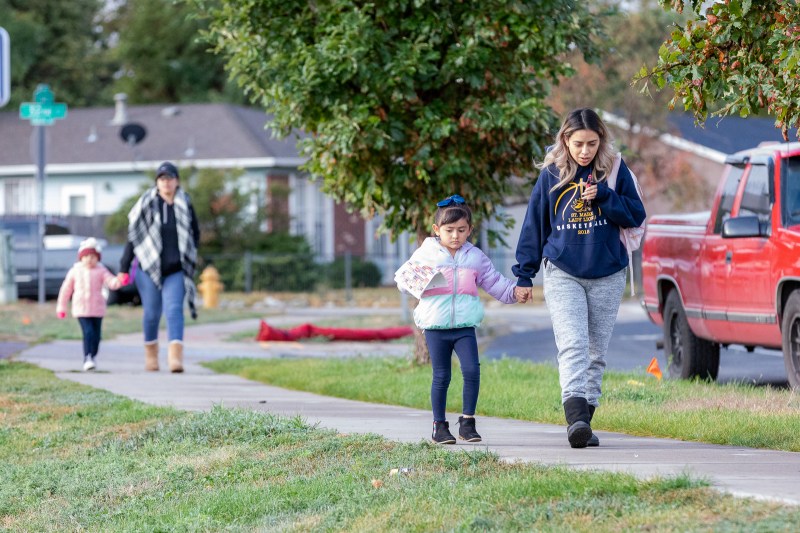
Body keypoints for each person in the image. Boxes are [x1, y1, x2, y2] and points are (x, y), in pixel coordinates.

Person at [513, 108, 646, 448]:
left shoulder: (614, 170)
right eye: (578, 144)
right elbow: (535, 224)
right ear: (565, 141)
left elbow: (635, 214)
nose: (585, 151)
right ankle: (575, 419)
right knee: (573, 343)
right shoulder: (552, 173)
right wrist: (524, 275)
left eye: (591, 143)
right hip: (563, 270)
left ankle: (583, 423)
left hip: (608, 271)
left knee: (596, 352)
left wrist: (604, 196)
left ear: (601, 141)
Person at [395, 195, 526, 444]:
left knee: (471, 370)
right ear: (437, 230)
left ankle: (467, 423)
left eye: (461, 230)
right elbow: (404, 277)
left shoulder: (475, 257)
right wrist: (413, 283)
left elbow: (495, 282)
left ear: (470, 230)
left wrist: (514, 292)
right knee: (441, 375)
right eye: (449, 230)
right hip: (435, 326)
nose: (455, 235)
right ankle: (439, 426)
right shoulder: (426, 253)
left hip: (465, 325)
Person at [118, 161, 200, 373]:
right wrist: (123, 268)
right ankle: (151, 357)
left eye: (170, 178)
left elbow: (195, 233)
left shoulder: (185, 203)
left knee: (174, 310)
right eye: (162, 179)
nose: (166, 182)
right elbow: (133, 238)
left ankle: (175, 360)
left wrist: (190, 256)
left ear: (177, 181)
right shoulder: (146, 204)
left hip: (175, 269)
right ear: (157, 182)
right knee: (152, 314)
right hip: (147, 269)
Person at [56, 238, 123, 371]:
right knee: (88, 332)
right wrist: (61, 307)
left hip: (97, 309)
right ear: (81, 257)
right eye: (86, 256)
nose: (89, 259)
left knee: (97, 336)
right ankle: (87, 358)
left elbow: (111, 282)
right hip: (81, 309)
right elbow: (66, 290)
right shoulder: (75, 271)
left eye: (92, 256)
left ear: (97, 258)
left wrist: (120, 280)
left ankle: (92, 355)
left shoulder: (101, 270)